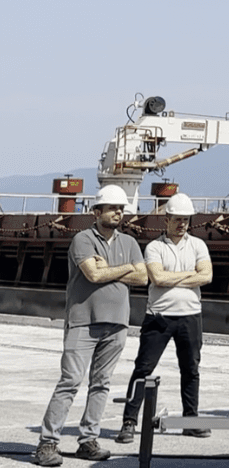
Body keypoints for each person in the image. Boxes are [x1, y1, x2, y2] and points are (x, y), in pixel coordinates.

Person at [35, 185, 147, 466]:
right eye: (111, 208)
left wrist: (111, 268)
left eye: (120, 209)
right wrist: (125, 269)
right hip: (83, 321)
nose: (117, 213)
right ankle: (47, 443)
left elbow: (143, 278)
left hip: (118, 323)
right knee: (70, 381)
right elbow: (93, 275)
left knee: (102, 384)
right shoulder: (82, 240)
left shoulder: (130, 243)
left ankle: (88, 440)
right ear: (96, 212)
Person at [116, 194, 213, 443]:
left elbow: (207, 277)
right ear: (166, 219)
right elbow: (157, 279)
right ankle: (128, 422)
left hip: (191, 316)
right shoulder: (154, 247)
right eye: (177, 219)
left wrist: (174, 276)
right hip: (159, 317)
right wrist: (190, 274)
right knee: (144, 368)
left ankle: (190, 421)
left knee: (191, 369)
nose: (182, 224)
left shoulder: (198, 245)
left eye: (186, 220)